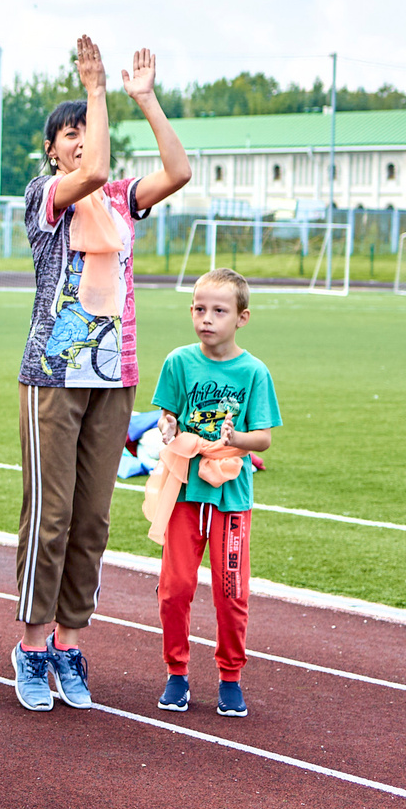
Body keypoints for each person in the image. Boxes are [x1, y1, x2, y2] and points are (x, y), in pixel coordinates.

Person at [13, 37, 191, 713]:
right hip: (56, 372)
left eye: (90, 129)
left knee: (91, 519)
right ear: (54, 149)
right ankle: (30, 648)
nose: (83, 140)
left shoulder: (121, 198)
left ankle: (68, 640)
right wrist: (94, 87)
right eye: (71, 133)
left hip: (114, 374)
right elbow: (90, 172)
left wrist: (143, 99)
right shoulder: (48, 196)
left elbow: (177, 170)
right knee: (50, 515)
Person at [143, 269, 278, 720]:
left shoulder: (254, 372)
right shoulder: (179, 362)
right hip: (185, 494)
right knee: (175, 589)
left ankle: (230, 677)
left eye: (219, 311)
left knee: (230, 591)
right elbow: (168, 414)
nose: (207, 319)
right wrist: (166, 425)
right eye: (200, 309)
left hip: (231, 500)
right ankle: (176, 672)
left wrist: (236, 438)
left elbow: (263, 439)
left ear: (241, 318)